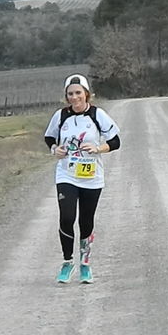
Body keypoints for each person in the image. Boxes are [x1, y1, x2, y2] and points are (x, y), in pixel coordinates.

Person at [44, 73, 120, 283]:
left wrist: (98, 148)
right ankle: (67, 263)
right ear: (66, 96)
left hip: (91, 176)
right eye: (70, 94)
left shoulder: (98, 115)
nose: (74, 97)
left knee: (86, 222)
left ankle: (85, 264)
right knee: (67, 218)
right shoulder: (60, 116)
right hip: (66, 174)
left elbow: (115, 141)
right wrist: (54, 149)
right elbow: (49, 137)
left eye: (78, 93)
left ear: (86, 94)